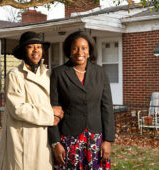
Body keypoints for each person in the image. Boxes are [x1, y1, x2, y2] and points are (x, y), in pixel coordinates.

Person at [48, 31, 115, 170]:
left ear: (89, 51)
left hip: (95, 139)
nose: (80, 52)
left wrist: (108, 140)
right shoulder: (59, 73)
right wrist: (55, 143)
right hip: (69, 140)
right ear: (69, 51)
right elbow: (52, 110)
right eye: (75, 48)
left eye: (84, 48)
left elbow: (107, 108)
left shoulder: (100, 73)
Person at [0, 31, 63, 170]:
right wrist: (50, 114)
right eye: (31, 47)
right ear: (23, 50)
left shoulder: (48, 74)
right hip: (22, 139)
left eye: (39, 47)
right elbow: (18, 109)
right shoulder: (14, 75)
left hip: (43, 138)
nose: (36, 51)